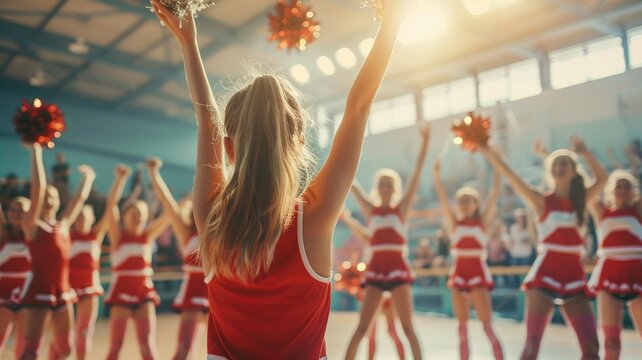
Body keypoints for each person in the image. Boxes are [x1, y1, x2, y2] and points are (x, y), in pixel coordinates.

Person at [150, 0, 411, 358]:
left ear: (228, 148)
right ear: (300, 143)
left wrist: (188, 43)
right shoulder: (314, 217)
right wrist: (391, 24)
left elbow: (207, 122)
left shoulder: (211, 218)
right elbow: (358, 108)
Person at [479, 137, 607, 360]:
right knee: (532, 344)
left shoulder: (582, 200)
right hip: (544, 272)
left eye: (564, 164)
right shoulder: (541, 201)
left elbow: (603, 179)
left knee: (592, 348)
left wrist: (585, 152)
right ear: (550, 171)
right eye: (555, 164)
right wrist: (489, 152)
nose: (559, 167)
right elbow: (512, 176)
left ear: (574, 172)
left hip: (574, 275)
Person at [345, 125, 430, 360]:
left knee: (408, 328)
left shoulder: (400, 209)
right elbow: (352, 182)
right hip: (376, 272)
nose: (385, 187)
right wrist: (345, 148)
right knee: (362, 328)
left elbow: (415, 175)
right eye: (381, 183)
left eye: (389, 184)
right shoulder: (371, 211)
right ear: (377, 187)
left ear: (394, 189)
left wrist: (424, 144)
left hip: (398, 270)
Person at [19, 143, 95, 360]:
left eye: (53, 196)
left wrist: (87, 179)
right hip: (38, 292)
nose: (49, 200)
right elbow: (38, 187)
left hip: (62, 292)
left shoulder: (63, 225)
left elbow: (79, 200)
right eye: (45, 197)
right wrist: (36, 152)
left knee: (65, 349)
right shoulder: (32, 225)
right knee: (29, 353)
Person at [433, 160, 504, 360]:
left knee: (486, 325)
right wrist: (437, 176)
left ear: (476, 203)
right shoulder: (454, 223)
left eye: (468, 200)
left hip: (478, 274)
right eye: (461, 200)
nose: (464, 204)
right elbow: (442, 199)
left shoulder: (483, 222)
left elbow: (495, 192)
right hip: (458, 275)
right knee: (462, 328)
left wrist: (497, 167)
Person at [104, 164, 169, 360]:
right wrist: (120, 179)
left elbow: (169, 212)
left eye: (141, 214)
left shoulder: (147, 236)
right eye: (133, 214)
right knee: (116, 345)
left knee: (147, 344)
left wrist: (154, 175)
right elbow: (110, 207)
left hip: (143, 292)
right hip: (121, 292)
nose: (138, 218)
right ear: (124, 217)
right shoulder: (118, 236)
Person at [146, 158, 207, 360]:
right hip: (191, 292)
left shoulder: (221, 234)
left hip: (215, 293)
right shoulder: (186, 233)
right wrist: (154, 175)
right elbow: (168, 204)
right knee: (184, 348)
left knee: (219, 349)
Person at [68, 170, 127, 360]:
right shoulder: (66, 235)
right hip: (67, 287)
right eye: (78, 217)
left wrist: (119, 179)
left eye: (85, 217)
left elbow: (111, 207)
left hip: (89, 287)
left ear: (93, 219)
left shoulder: (96, 235)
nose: (81, 220)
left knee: (84, 331)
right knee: (64, 333)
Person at [588, 170, 642, 359]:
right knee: (610, 342)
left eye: (627, 185)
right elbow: (588, 189)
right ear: (611, 189)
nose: (622, 189)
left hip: (638, 275)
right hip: (608, 275)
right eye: (618, 185)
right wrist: (583, 152)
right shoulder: (601, 211)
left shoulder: (638, 209)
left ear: (634, 191)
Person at [340, 208, 406, 360]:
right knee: (369, 332)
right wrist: (348, 219)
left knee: (392, 330)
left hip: (387, 287)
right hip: (374, 287)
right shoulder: (369, 240)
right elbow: (359, 230)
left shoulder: (382, 238)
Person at [0, 197, 31, 358]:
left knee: (24, 348)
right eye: (13, 209)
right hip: (2, 297)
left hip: (26, 297)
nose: (16, 213)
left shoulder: (34, 235)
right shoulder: (3, 234)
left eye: (22, 210)